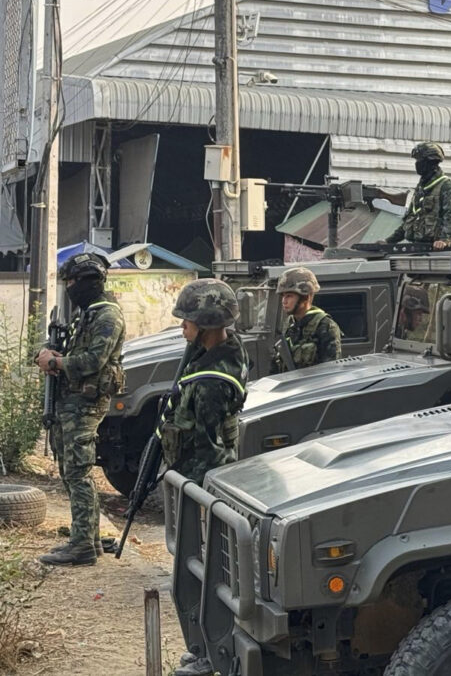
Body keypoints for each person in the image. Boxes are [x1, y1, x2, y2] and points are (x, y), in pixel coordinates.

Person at [160, 279, 248, 676]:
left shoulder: (214, 379)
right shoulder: (211, 354)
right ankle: (203, 648)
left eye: (188, 322)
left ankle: (212, 654)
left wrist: (189, 487)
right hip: (196, 484)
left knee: (209, 576)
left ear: (207, 323)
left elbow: (211, 451)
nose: (183, 329)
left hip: (205, 488)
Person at [35, 252, 125, 567]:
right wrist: (49, 353)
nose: (70, 287)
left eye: (73, 282)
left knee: (78, 471)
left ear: (90, 282)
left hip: (86, 402)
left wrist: (56, 363)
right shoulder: (86, 313)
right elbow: (74, 349)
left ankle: (82, 545)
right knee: (70, 469)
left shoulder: (107, 316)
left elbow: (93, 361)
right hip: (71, 400)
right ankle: (86, 536)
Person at [385, 142, 451, 250]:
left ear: (430, 162)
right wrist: (388, 241)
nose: (417, 164)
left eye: (419, 160)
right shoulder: (421, 187)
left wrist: (444, 240)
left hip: (437, 251)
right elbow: (409, 220)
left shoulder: (445, 185)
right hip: (418, 247)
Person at [269, 266, 342, 374]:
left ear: (306, 297)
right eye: (283, 296)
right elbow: (276, 366)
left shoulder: (325, 326)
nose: (284, 301)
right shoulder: (288, 325)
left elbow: (331, 372)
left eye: (289, 296)